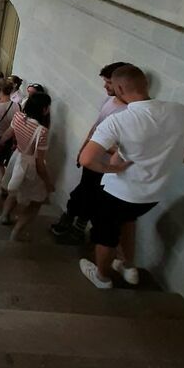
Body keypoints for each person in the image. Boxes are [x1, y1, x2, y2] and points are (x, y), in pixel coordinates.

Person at [78, 65, 184, 289]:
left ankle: (102, 277)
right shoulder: (181, 112)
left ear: (119, 88)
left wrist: (113, 170)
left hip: (118, 192)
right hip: (152, 195)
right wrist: (178, 158)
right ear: (145, 84)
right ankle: (128, 266)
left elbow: (87, 159)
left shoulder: (118, 120)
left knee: (106, 236)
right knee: (129, 222)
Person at [50, 61, 131, 244]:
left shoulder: (128, 112)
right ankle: (68, 220)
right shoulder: (109, 101)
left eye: (108, 83)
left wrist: (99, 147)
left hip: (106, 165)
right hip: (92, 159)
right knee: (81, 193)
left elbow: (123, 148)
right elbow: (97, 126)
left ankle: (77, 230)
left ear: (121, 85)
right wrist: (84, 147)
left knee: (91, 198)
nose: (105, 86)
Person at [0, 92, 55, 241]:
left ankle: (4, 216)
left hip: (16, 157)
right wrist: (48, 182)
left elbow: (8, 133)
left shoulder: (18, 117)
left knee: (14, 189)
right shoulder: (41, 131)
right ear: (44, 109)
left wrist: (1, 143)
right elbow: (39, 162)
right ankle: (16, 232)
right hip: (29, 165)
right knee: (37, 200)